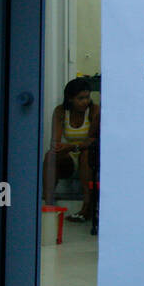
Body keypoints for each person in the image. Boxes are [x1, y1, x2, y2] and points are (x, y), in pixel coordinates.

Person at [43, 77, 100, 222]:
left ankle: (86, 207)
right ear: (70, 99)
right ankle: (48, 204)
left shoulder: (94, 110)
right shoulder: (61, 111)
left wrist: (73, 146)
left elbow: (93, 140)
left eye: (87, 97)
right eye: (80, 98)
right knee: (51, 155)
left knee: (86, 153)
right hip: (71, 156)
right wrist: (58, 147)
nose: (85, 101)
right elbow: (55, 140)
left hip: (89, 156)